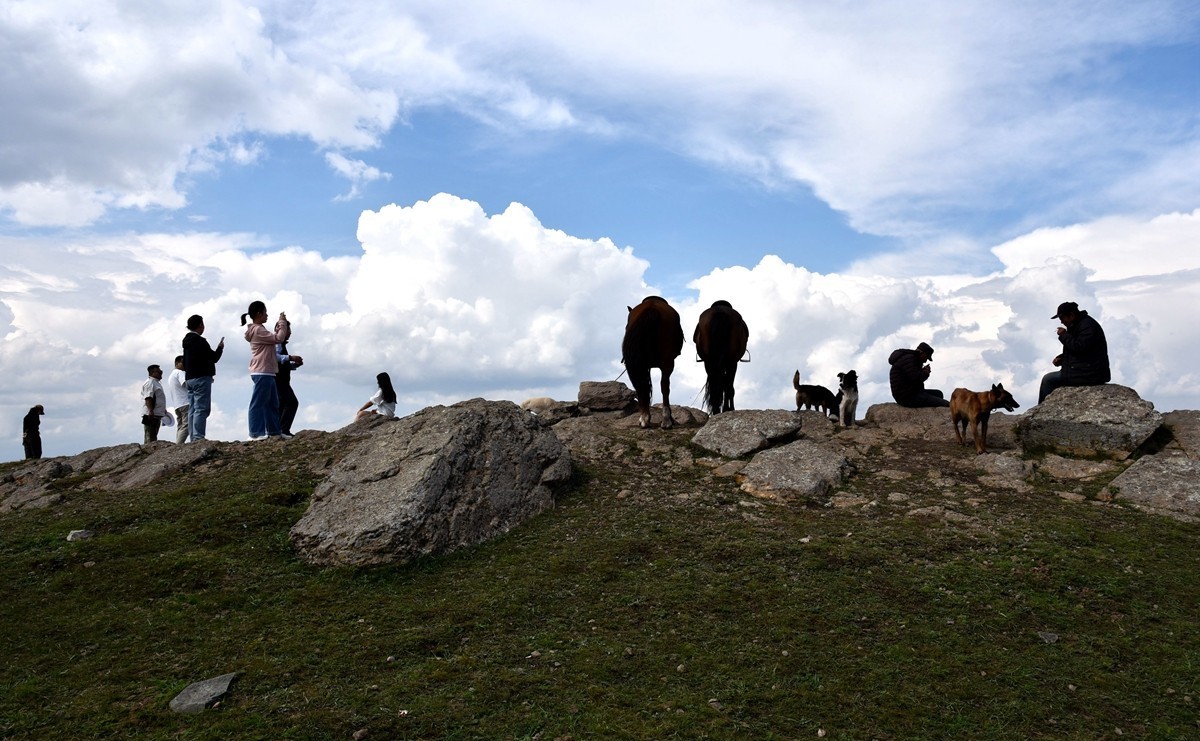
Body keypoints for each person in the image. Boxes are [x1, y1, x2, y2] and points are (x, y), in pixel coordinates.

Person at [1038, 301, 1111, 404]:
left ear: (1071, 315)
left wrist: (1064, 335)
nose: (1061, 322)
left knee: (1048, 380)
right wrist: (1062, 359)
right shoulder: (1079, 324)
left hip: (1090, 374)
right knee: (1050, 379)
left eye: (1062, 318)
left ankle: (1043, 408)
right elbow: (1081, 350)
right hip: (1085, 371)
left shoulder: (1087, 326)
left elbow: (1079, 347)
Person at [241, 301, 291, 440]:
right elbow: (278, 338)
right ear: (259, 313)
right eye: (265, 312)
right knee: (258, 403)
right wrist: (282, 323)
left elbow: (273, 340)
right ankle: (255, 433)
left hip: (267, 371)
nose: (267, 315)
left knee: (272, 403)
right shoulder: (258, 330)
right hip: (262, 371)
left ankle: (274, 431)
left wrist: (280, 326)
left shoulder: (259, 329)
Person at [183, 314, 224, 442]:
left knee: (192, 409)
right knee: (201, 408)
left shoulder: (186, 341)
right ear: (200, 325)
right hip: (201, 378)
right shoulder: (201, 341)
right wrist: (220, 348)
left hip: (189, 378)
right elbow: (214, 358)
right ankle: (198, 436)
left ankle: (193, 436)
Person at [889, 341, 950, 408]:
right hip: (907, 397)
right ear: (922, 353)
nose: (926, 361)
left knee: (938, 394)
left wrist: (922, 371)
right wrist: (925, 372)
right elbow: (917, 379)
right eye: (926, 357)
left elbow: (913, 377)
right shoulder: (910, 359)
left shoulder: (912, 358)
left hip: (911, 393)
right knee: (946, 404)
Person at [274, 318, 304, 439]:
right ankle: (283, 430)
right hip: (279, 380)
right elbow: (275, 357)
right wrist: (290, 358)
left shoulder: (280, 344)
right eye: (287, 329)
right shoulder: (277, 344)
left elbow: (281, 363)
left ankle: (279, 430)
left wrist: (293, 365)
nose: (290, 332)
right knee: (291, 402)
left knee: (282, 404)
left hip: (281, 379)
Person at [141, 364, 169, 444]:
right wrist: (150, 411)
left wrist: (163, 409)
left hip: (156, 414)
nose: (161, 373)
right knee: (150, 437)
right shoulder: (150, 383)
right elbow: (148, 397)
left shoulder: (156, 383)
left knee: (154, 435)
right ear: (153, 372)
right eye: (159, 372)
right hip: (151, 415)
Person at [166, 355, 190, 444]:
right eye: (184, 363)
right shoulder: (180, 373)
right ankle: (178, 445)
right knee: (186, 425)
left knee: (180, 426)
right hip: (185, 402)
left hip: (177, 405)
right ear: (177, 363)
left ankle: (177, 444)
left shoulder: (171, 375)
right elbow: (187, 384)